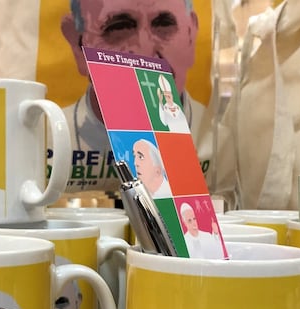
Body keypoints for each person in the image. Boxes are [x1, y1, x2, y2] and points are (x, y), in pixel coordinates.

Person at [59, 0, 203, 187]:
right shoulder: (40, 139)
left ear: (191, 34)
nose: (145, 51)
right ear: (79, 46)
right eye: (119, 28)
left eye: (164, 25)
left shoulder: (223, 143)